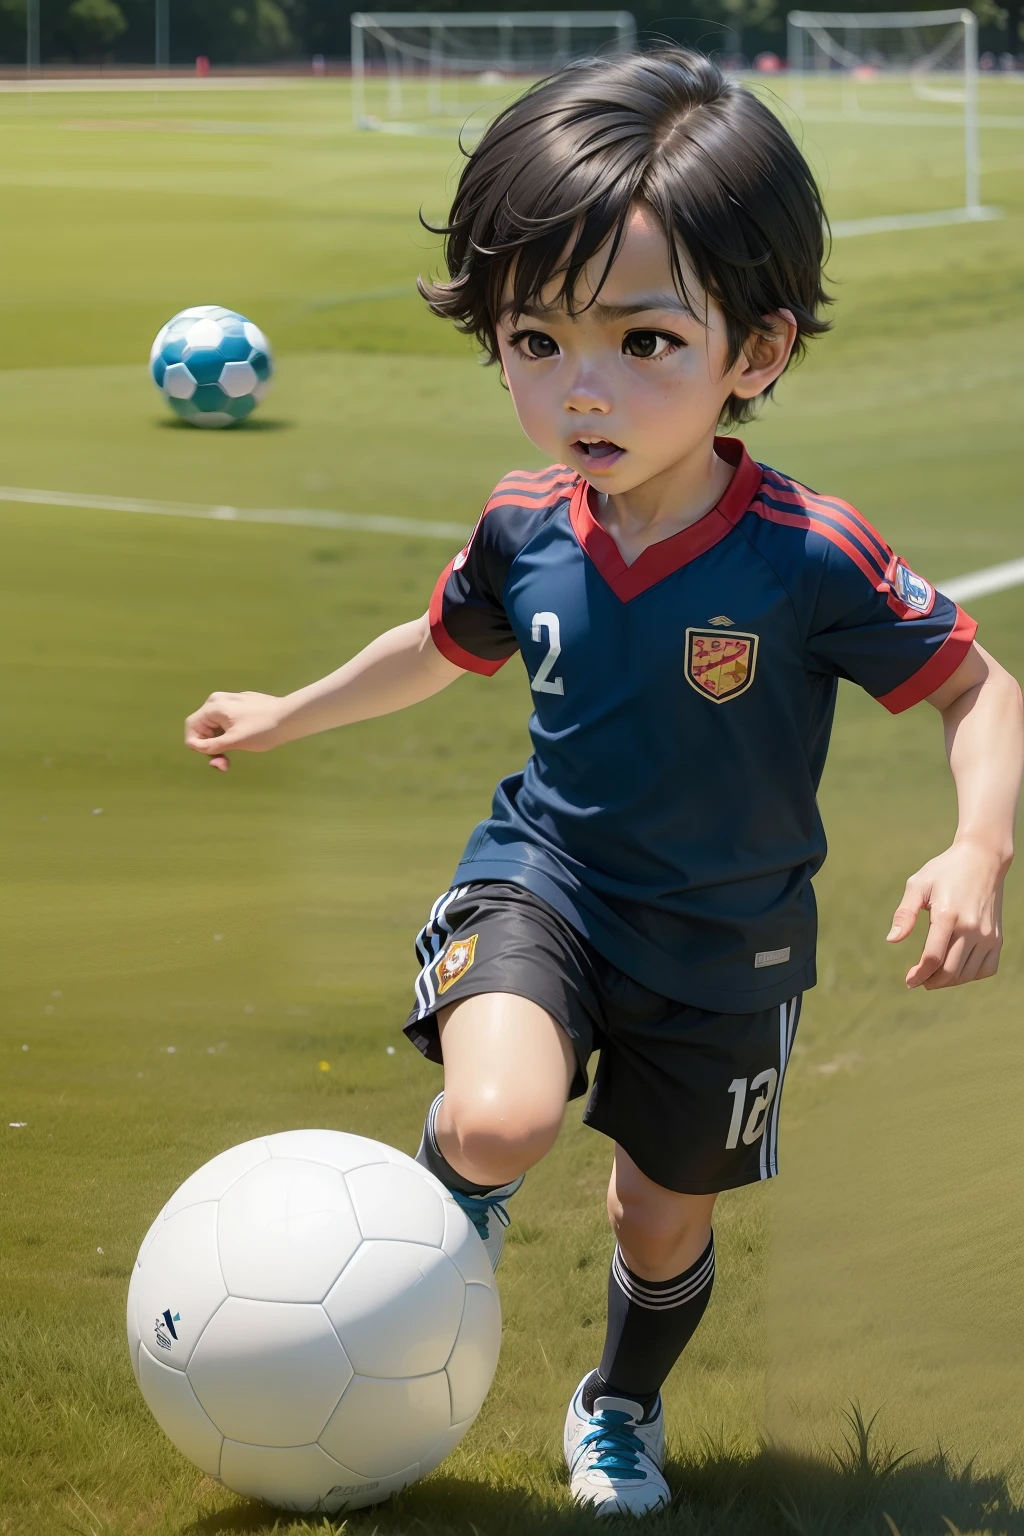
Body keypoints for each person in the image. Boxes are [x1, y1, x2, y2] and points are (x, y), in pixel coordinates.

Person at [185, 48, 1023, 1518]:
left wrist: (976, 849)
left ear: (753, 355)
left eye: (643, 344)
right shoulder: (527, 528)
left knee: (655, 1216)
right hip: (547, 881)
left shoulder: (806, 552)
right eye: (534, 340)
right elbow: (441, 648)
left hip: (729, 942)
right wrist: (285, 713)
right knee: (500, 1115)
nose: (582, 391)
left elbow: (976, 682)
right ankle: (412, 1258)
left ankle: (617, 1405)